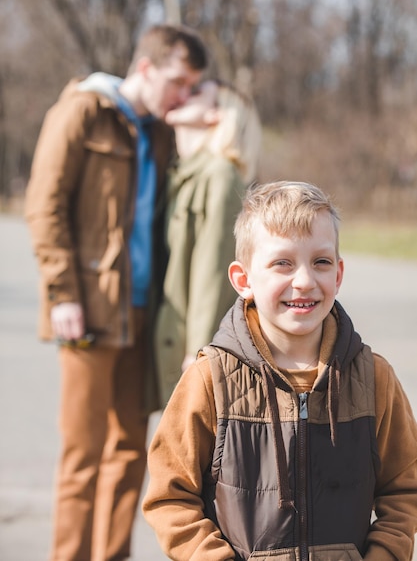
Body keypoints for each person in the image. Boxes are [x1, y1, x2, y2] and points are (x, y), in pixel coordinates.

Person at [142, 180, 417, 561]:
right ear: (244, 280)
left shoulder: (373, 377)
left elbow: (404, 489)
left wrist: (385, 554)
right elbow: (170, 497)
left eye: (320, 262)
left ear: (338, 274)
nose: (304, 281)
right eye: (282, 263)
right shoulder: (210, 379)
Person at [25, 24, 208, 561]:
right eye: (178, 81)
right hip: (87, 311)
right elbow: (45, 206)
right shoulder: (83, 111)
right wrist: (63, 294)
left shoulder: (160, 131)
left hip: (144, 314)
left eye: (192, 86)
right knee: (83, 452)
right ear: (146, 68)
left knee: (130, 448)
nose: (183, 95)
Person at [154, 79, 262, 406]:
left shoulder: (219, 175)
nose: (183, 93)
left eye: (196, 91)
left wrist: (199, 352)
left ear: (216, 114)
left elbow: (213, 273)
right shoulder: (183, 172)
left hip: (191, 351)